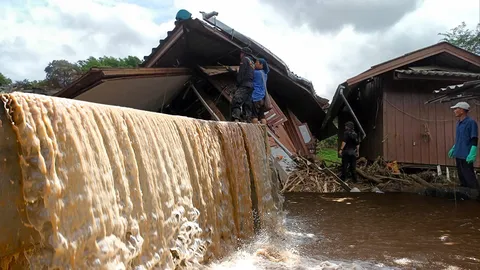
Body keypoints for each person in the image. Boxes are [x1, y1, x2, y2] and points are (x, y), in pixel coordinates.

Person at [448, 101, 480, 190]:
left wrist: (473, 152)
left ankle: (476, 194)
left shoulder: (471, 122)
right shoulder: (458, 123)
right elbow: (460, 138)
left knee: (469, 176)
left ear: (462, 110)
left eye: (456, 109)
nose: (454, 111)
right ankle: (465, 194)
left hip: (466, 155)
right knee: (461, 176)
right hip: (458, 153)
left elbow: (474, 138)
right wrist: (454, 148)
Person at [231, 47, 255, 122]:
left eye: (241, 53)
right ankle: (247, 120)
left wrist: (238, 84)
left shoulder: (244, 59)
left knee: (237, 99)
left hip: (244, 84)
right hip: (251, 86)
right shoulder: (252, 62)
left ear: (243, 53)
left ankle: (236, 118)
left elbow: (242, 73)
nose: (240, 55)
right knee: (247, 103)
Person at [251, 58, 270, 124]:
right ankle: (263, 131)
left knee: (254, 116)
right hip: (262, 97)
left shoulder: (256, 72)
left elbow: (249, 73)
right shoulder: (265, 74)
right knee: (262, 116)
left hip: (255, 96)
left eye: (256, 62)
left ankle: (254, 131)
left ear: (261, 65)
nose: (255, 64)